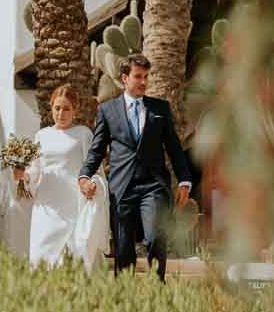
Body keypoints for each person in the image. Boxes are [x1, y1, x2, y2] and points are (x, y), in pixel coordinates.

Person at [79, 55, 193, 280]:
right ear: (124, 78)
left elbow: (174, 147)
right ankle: (125, 297)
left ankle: (156, 290)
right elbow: (97, 149)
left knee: (154, 237)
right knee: (123, 249)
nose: (143, 82)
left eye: (146, 77)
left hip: (153, 186)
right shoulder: (107, 110)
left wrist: (184, 180)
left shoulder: (160, 108)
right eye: (138, 77)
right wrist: (85, 175)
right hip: (121, 188)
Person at [19, 84, 108, 270]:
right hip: (46, 206)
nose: (61, 113)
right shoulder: (41, 136)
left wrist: (92, 186)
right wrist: (23, 176)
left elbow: (96, 170)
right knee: (43, 253)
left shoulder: (84, 134)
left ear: (75, 110)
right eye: (57, 108)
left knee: (75, 256)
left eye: (66, 108)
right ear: (51, 108)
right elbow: (34, 170)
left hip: (74, 206)